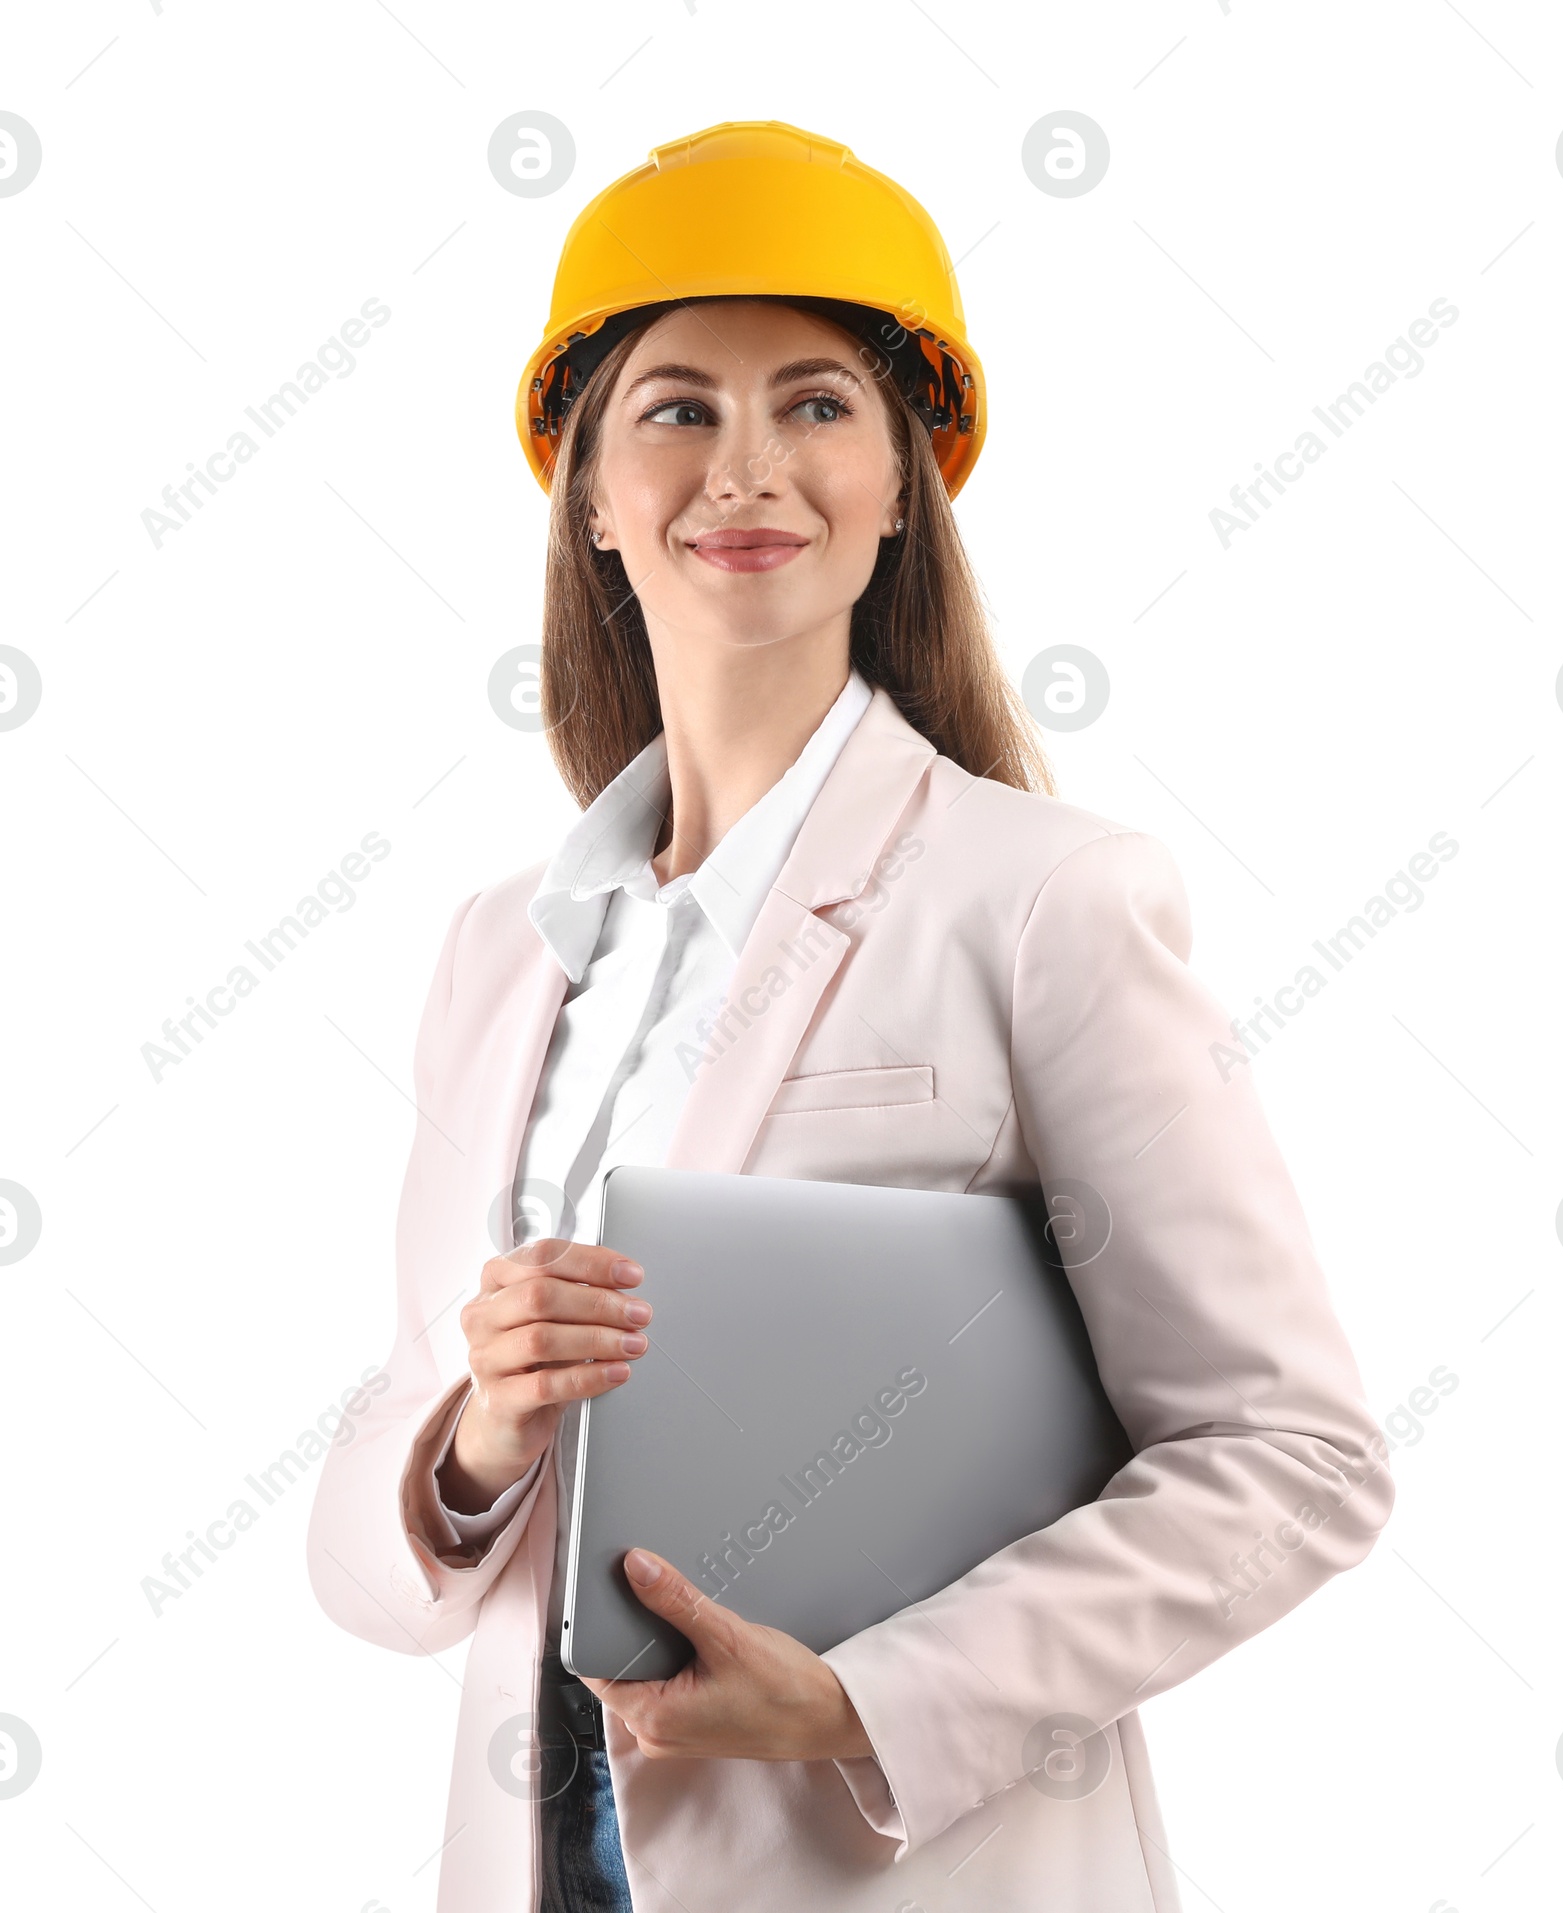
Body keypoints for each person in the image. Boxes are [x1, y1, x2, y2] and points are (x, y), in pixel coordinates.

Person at [306, 119, 1394, 1913]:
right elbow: (367, 1550)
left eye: (818, 404)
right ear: (585, 486)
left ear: (904, 484)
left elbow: (1296, 1461)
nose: (749, 467)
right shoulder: (502, 949)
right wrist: (475, 1442)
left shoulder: (1043, 896)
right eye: (676, 408)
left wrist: (860, 1701)